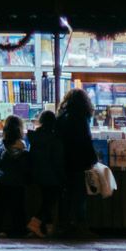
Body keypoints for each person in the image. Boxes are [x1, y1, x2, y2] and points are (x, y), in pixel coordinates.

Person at [54, 87, 98, 238]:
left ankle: (63, 226)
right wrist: (92, 159)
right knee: (79, 197)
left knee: (65, 196)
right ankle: (81, 227)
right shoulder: (81, 118)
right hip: (78, 162)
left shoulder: (61, 117)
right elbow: (85, 141)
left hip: (62, 162)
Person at [0, 114, 31, 237]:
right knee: (18, 207)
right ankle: (19, 230)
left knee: (0, 205)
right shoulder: (22, 144)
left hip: (3, 179)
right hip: (18, 180)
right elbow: (26, 163)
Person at [27, 108, 64, 238]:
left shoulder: (34, 138)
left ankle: (46, 229)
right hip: (52, 175)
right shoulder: (55, 139)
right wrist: (61, 176)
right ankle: (35, 224)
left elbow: (31, 156)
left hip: (38, 174)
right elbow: (58, 160)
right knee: (49, 202)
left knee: (46, 200)